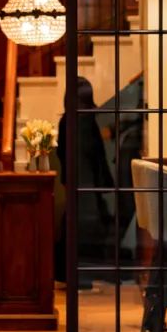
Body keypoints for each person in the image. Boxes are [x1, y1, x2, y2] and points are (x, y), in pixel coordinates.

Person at [55, 77, 115, 284]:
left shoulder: (66, 120)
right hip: (87, 180)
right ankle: (84, 275)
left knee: (74, 224)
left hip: (76, 179)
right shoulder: (87, 120)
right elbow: (95, 154)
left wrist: (67, 180)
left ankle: (70, 274)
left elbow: (63, 154)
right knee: (87, 226)